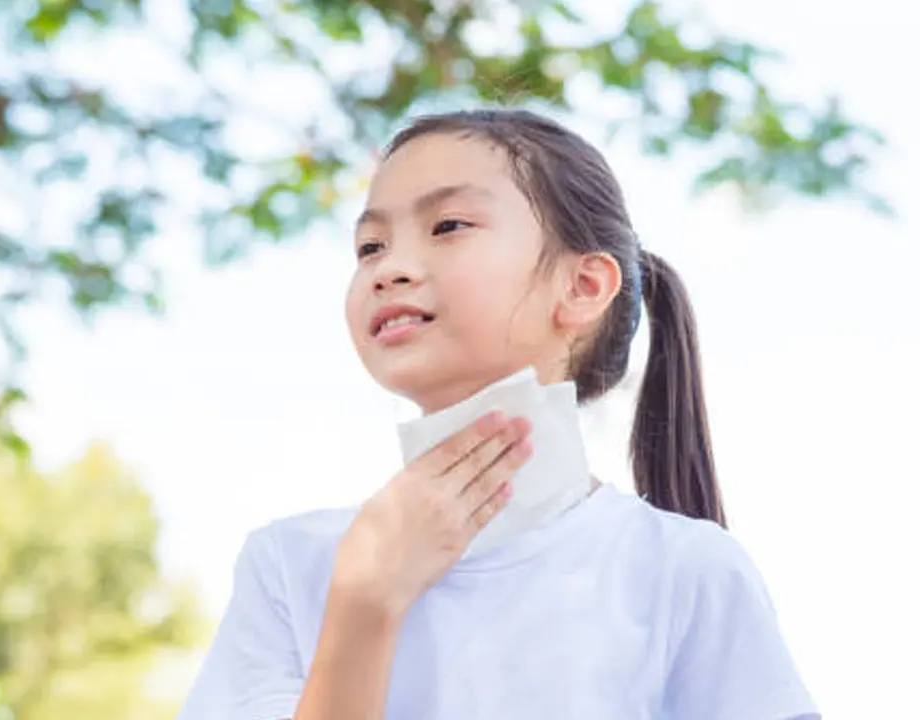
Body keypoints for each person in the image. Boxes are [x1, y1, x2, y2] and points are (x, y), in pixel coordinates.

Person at [175, 109, 819, 720]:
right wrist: (363, 607)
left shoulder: (684, 569)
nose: (387, 268)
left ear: (583, 286)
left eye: (448, 226)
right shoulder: (289, 567)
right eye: (370, 246)